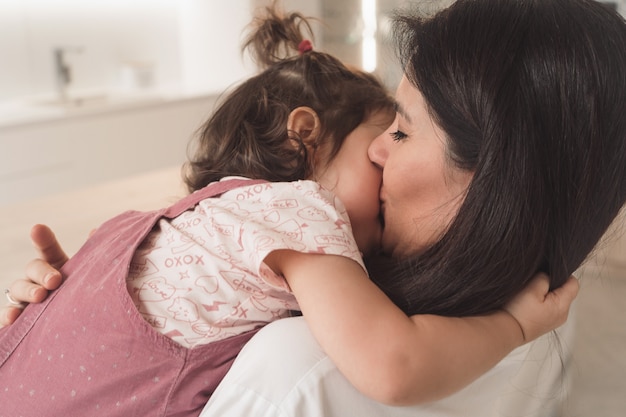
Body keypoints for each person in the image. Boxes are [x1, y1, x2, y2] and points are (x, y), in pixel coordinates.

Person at [8, 0, 624, 414]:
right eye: (381, 135)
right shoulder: (308, 219)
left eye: (403, 134)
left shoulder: (295, 354)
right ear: (305, 137)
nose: (382, 154)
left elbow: (392, 363)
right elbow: (396, 363)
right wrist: (83, 311)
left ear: (498, 174)